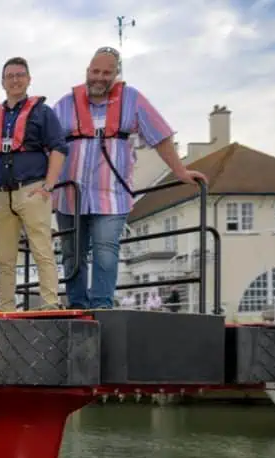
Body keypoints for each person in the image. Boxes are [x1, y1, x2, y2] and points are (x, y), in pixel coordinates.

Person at [52, 47, 206, 309]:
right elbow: (48, 144)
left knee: (105, 252)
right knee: (71, 254)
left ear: (116, 74)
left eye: (107, 73)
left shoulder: (132, 100)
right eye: (95, 71)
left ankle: (101, 307)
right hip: (70, 195)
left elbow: (160, 135)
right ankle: (77, 306)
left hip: (112, 194)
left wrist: (180, 171)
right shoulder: (65, 104)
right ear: (87, 71)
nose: (99, 77)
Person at [0, 57, 66, 311]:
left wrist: (49, 186)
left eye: (20, 75)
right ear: (2, 82)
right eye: (10, 76)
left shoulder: (42, 112)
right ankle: (6, 307)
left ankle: (50, 303)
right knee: (4, 257)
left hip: (32, 188)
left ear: (29, 79)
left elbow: (58, 147)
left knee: (42, 248)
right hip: (1, 193)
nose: (15, 80)